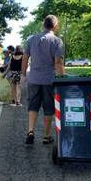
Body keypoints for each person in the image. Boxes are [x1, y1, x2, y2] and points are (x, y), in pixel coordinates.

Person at [21, 15, 65, 145]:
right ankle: (46, 136)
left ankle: (30, 131)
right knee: (48, 108)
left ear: (43, 25)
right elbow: (58, 62)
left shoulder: (31, 39)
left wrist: (23, 75)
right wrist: (62, 78)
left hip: (33, 79)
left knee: (33, 106)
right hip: (49, 80)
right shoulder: (57, 41)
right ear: (55, 26)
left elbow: (25, 58)